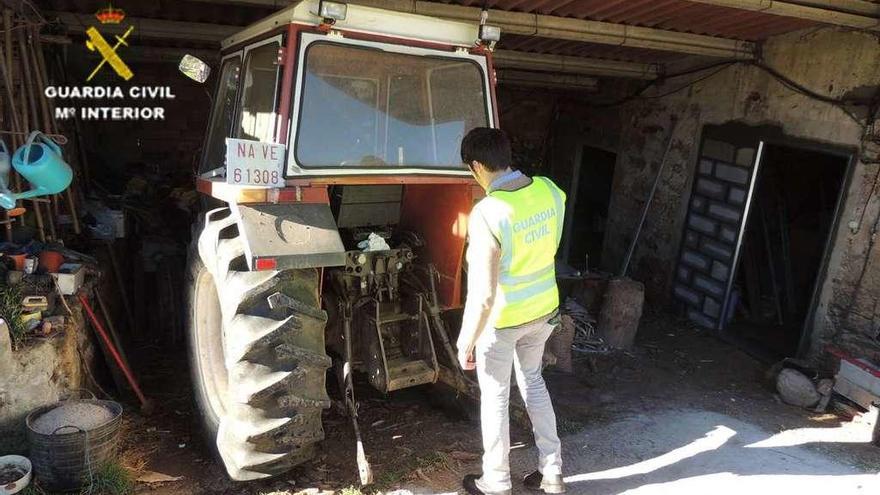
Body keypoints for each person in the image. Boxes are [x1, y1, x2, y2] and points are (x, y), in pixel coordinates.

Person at [457, 128, 566, 495]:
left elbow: (484, 294)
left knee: (496, 397)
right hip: (545, 309)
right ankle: (551, 472)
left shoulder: (488, 212)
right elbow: (550, 246)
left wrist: (465, 340)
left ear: (476, 166)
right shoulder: (550, 191)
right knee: (534, 382)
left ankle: (497, 480)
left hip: (504, 321)